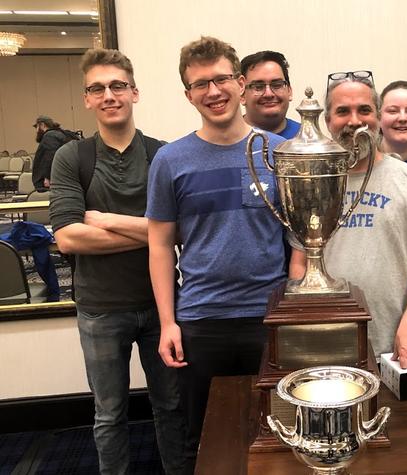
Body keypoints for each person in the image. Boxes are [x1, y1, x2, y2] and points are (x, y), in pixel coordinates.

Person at [146, 36, 289, 470]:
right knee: (202, 435)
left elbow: (299, 237)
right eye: (200, 84)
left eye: (222, 78)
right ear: (188, 94)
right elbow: (158, 246)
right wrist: (168, 323)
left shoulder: (277, 153)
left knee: (277, 431)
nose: (213, 91)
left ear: (241, 83)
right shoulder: (171, 160)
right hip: (201, 321)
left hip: (268, 318)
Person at [49, 48, 186, 474]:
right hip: (99, 310)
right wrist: (150, 232)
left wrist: (107, 220)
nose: (109, 95)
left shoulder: (164, 154)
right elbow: (68, 238)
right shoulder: (72, 158)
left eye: (117, 86)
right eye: (97, 88)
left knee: (172, 407)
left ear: (134, 93)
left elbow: (181, 233)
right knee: (109, 415)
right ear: (87, 98)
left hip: (162, 306)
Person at [290, 71, 407, 369]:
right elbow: (299, 261)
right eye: (342, 111)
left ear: (377, 116)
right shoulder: (311, 181)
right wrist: (307, 323)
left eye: (364, 110)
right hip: (327, 338)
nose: (354, 121)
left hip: (395, 341)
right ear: (327, 121)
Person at [239, 50, 299, 138]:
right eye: (258, 87)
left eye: (277, 85)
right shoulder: (227, 139)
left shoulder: (307, 138)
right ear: (242, 95)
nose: (268, 94)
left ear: (289, 91)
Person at [32, 115, 66, 191]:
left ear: (42, 125)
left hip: (51, 182)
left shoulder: (50, 136)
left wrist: (48, 177)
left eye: (37, 127)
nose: (36, 131)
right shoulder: (57, 134)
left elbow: (51, 157)